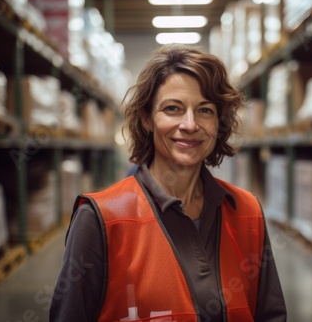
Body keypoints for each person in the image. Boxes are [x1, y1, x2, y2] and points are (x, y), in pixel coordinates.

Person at [49, 44, 287, 322]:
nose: (189, 124)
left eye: (205, 110)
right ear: (147, 118)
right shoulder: (101, 219)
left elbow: (270, 316)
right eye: (173, 108)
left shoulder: (247, 212)